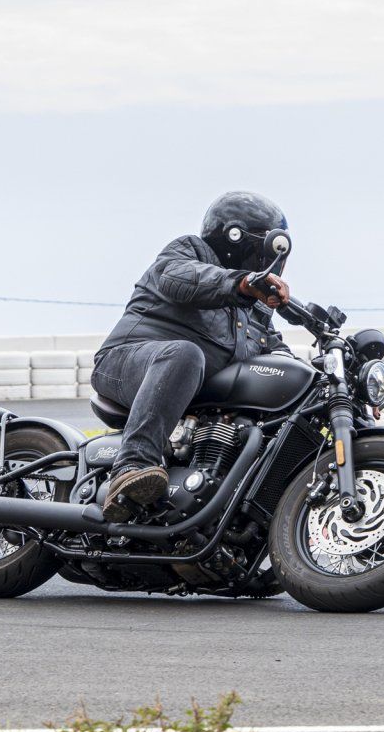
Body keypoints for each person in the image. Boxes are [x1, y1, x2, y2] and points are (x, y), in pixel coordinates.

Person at [91, 191, 291, 522]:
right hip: (125, 363)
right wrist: (241, 283)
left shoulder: (255, 313)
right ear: (236, 238)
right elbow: (177, 277)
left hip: (191, 399)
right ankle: (132, 466)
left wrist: (331, 383)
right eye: (263, 250)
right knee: (185, 354)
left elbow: (279, 357)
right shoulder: (187, 251)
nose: (268, 262)